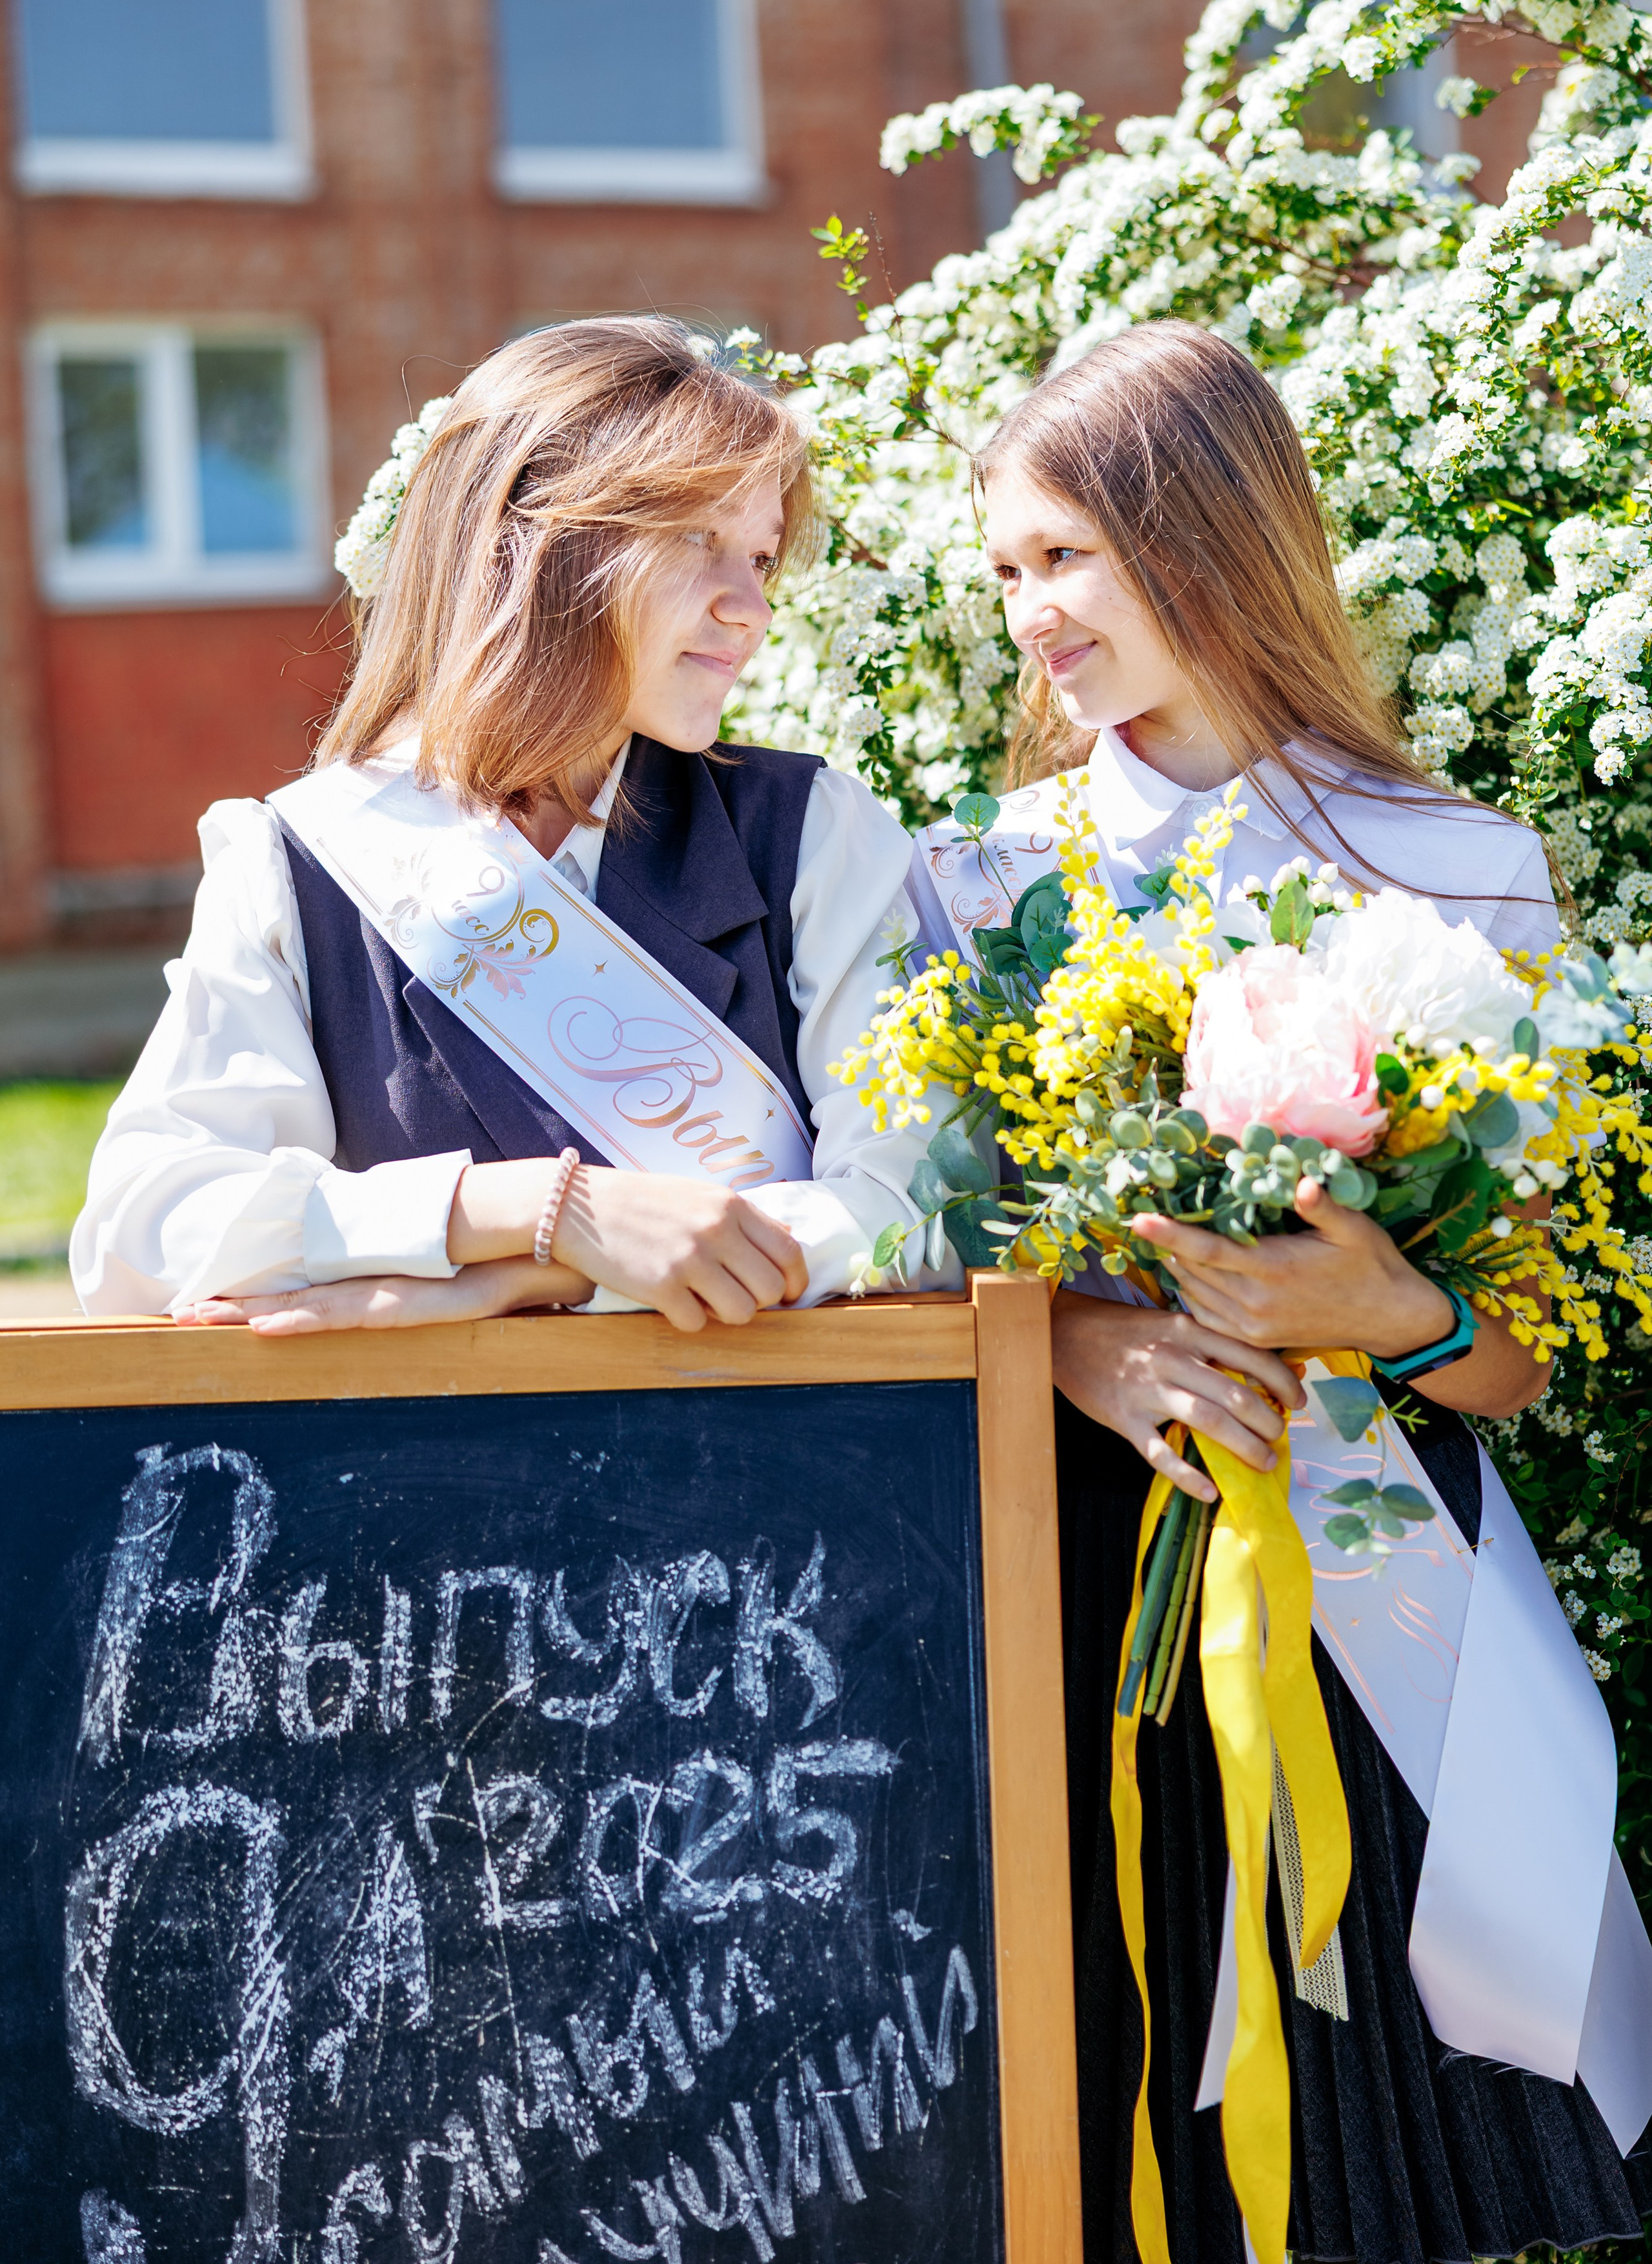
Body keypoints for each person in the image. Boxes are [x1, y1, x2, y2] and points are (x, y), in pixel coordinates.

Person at [929, 321, 1651, 2261]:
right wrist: (1090, 1344)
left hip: (1381, 1590)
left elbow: (1509, 1369)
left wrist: (1374, 1308)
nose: (1031, 617)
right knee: (1106, 2151)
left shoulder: (1461, 870)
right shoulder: (973, 883)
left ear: (1205, 534)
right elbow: (924, 1271)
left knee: (1377, 2176)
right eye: (1005, 573)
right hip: (1090, 1588)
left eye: (1063, 556)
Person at [74, 318, 952, 1332]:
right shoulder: (297, 865)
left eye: (758, 557)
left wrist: (549, 1278)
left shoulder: (814, 836)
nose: (751, 607)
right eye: (697, 540)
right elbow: (140, 1236)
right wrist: (532, 1213)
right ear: (531, 541)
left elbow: (915, 1212)